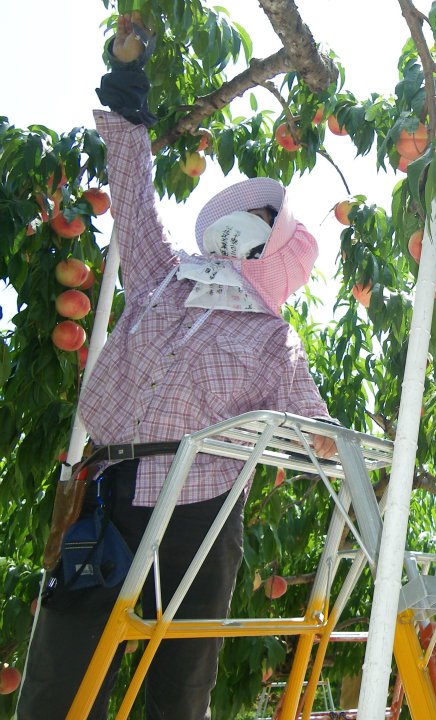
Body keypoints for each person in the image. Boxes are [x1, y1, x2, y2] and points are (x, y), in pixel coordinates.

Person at [17, 14, 336, 719]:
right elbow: (132, 206)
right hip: (108, 481)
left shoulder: (270, 338)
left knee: (178, 685)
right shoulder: (165, 276)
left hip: (199, 501)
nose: (229, 234)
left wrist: (326, 441)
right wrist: (128, 99)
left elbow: (308, 410)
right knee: (61, 675)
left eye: (255, 224)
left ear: (273, 256)